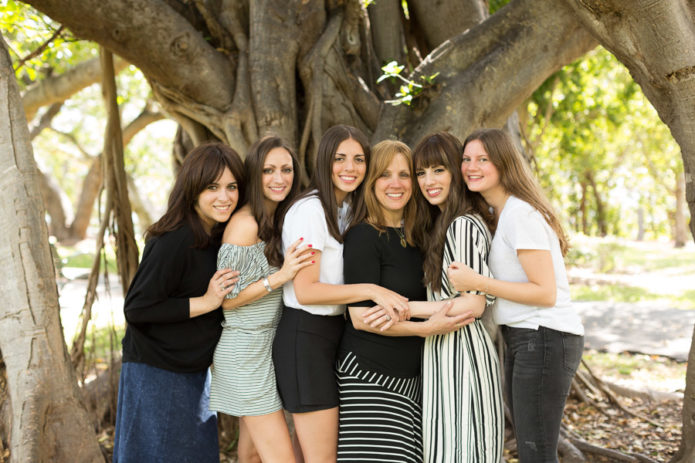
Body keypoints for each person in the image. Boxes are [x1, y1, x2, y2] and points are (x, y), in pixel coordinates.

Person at [270, 125, 410, 463]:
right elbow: (306, 291)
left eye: (359, 159)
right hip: (305, 339)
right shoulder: (311, 211)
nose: (350, 168)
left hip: (331, 338)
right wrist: (373, 290)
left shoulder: (345, 209)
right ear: (324, 161)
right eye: (340, 159)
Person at [448, 128, 584, 463]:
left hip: (544, 337)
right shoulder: (502, 214)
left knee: (535, 452)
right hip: (527, 338)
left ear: (504, 163)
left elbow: (545, 292)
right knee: (531, 448)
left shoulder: (520, 214)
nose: (471, 166)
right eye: (466, 159)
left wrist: (478, 281)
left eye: (483, 159)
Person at [337, 140, 476, 463]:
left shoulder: (419, 234)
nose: (396, 184)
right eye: (385, 175)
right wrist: (426, 328)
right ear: (371, 183)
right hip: (370, 375)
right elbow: (360, 318)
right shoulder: (363, 236)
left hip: (413, 377)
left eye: (404, 175)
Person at [113, 142, 245, 463]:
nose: (224, 197)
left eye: (232, 187)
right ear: (193, 188)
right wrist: (207, 301)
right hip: (157, 372)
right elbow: (138, 308)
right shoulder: (176, 238)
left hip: (193, 374)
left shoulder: (219, 237)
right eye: (212, 187)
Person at [209, 136, 314, 463]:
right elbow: (226, 300)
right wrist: (280, 277)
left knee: (253, 455)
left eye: (286, 169)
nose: (279, 178)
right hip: (244, 356)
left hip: (264, 351)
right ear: (254, 175)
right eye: (268, 170)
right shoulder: (244, 224)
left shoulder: (279, 220)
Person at [413, 132, 504, 462]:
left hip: (461, 354)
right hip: (444, 351)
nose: (428, 181)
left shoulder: (462, 226)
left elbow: (473, 303)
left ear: (455, 171)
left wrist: (402, 307)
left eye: (438, 169)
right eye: (421, 173)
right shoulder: (445, 224)